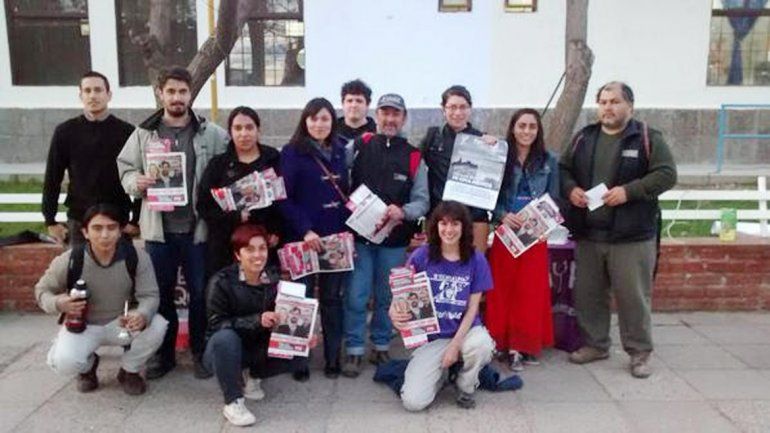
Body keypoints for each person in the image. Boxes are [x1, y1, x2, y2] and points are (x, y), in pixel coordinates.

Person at [117, 66, 229, 379]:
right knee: (161, 294)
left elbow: (228, 168)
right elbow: (125, 168)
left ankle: (199, 352)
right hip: (158, 232)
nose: (177, 97)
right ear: (160, 93)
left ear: (190, 93)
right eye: (171, 91)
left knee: (200, 295)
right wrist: (134, 181)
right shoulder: (144, 133)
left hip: (197, 232)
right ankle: (163, 355)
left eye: (182, 91)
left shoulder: (211, 133)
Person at [559, 81, 677, 378]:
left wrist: (630, 191)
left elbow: (666, 175)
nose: (608, 107)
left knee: (633, 296)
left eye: (614, 101)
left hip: (631, 236)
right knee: (588, 295)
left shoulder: (647, 138)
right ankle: (596, 344)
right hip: (589, 234)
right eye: (603, 102)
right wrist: (571, 189)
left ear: (630, 106)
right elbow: (564, 169)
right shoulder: (584, 138)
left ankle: (639, 352)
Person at [34, 204, 167, 395]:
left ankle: (130, 371)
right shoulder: (71, 259)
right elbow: (42, 291)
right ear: (85, 232)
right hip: (83, 325)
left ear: (120, 231)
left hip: (122, 324)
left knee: (158, 325)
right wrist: (58, 303)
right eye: (97, 228)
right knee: (63, 362)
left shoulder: (136, 257)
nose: (105, 235)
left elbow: (150, 295)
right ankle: (88, 367)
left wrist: (142, 314)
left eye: (111, 228)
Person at [343, 93, 429, 377]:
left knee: (386, 296)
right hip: (359, 239)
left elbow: (422, 202)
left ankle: (381, 344)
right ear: (376, 115)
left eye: (396, 114)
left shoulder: (415, 156)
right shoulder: (358, 146)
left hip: (394, 242)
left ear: (403, 118)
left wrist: (402, 211)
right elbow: (338, 181)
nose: (390, 119)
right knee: (356, 295)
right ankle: (354, 349)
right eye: (385, 113)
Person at [389, 201, 495, 411]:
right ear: (435, 226)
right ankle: (444, 375)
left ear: (464, 227)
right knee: (413, 402)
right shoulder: (422, 255)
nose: (449, 230)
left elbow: (473, 309)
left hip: (465, 331)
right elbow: (402, 293)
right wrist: (394, 312)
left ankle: (465, 385)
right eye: (443, 224)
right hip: (432, 337)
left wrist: (455, 346)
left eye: (455, 224)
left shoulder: (477, 259)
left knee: (482, 345)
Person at [203, 224, 305, 427]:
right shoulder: (221, 281)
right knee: (225, 339)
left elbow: (288, 317)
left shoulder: (274, 278)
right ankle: (233, 402)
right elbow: (216, 324)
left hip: (257, 344)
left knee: (301, 355)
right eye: (250, 249)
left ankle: (254, 376)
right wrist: (258, 319)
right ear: (238, 254)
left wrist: (304, 334)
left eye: (262, 248)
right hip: (223, 349)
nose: (258, 255)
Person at [279, 97, 351, 380]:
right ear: (304, 121)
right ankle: (299, 360)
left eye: (324, 119)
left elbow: (347, 192)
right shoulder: (291, 152)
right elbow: (283, 198)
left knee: (333, 300)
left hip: (335, 238)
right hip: (303, 238)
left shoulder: (341, 151)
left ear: (332, 121)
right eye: (313, 118)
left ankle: (333, 356)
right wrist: (305, 229)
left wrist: (348, 230)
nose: (319, 124)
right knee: (301, 299)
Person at [486, 109, 559, 371]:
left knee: (530, 290)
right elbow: (487, 195)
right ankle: (501, 342)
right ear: (513, 129)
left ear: (538, 131)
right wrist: (502, 216)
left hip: (534, 232)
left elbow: (555, 197)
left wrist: (546, 223)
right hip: (507, 231)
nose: (527, 131)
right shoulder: (500, 157)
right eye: (522, 126)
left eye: (532, 126)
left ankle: (522, 344)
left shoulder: (549, 160)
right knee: (502, 288)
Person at [42, 71, 140, 246]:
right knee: (79, 272)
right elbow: (52, 178)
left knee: (121, 272)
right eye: (87, 91)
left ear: (109, 95)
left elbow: (140, 176)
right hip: (79, 220)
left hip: (117, 220)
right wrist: (50, 220)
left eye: (98, 90)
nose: (92, 95)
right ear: (80, 95)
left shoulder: (127, 132)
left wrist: (135, 220)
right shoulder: (65, 132)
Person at [197, 106, 282, 279]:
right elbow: (204, 206)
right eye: (238, 128)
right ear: (230, 132)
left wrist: (277, 231)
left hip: (264, 247)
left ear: (258, 130)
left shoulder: (273, 158)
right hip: (226, 247)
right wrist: (235, 217)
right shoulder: (218, 164)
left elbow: (283, 199)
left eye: (249, 127)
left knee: (262, 295)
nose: (244, 133)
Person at [419, 85, 491, 252]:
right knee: (439, 265)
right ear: (443, 109)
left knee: (474, 266)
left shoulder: (482, 140)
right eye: (452, 107)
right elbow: (414, 164)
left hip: (474, 216)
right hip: (440, 215)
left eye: (462, 107)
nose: (457, 113)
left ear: (470, 109)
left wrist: (495, 149)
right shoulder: (432, 137)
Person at [337, 79, 376, 143]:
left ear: (367, 104)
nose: (354, 105)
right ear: (342, 104)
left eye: (359, 101)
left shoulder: (377, 133)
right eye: (349, 101)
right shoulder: (331, 132)